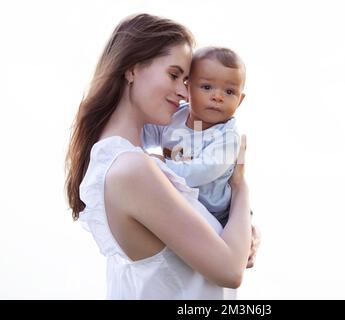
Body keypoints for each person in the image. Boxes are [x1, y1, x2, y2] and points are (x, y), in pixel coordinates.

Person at [65, 13, 260, 299]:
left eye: (187, 80)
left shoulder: (131, 164)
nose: (184, 92)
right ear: (131, 69)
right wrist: (240, 186)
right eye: (174, 75)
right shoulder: (132, 168)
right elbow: (230, 271)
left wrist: (241, 230)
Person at [142, 47, 247, 227]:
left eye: (229, 92)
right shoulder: (175, 116)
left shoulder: (227, 136)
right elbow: (145, 132)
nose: (217, 97)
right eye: (207, 87)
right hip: (180, 201)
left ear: (240, 100)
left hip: (216, 214)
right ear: (187, 89)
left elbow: (203, 170)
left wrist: (160, 165)